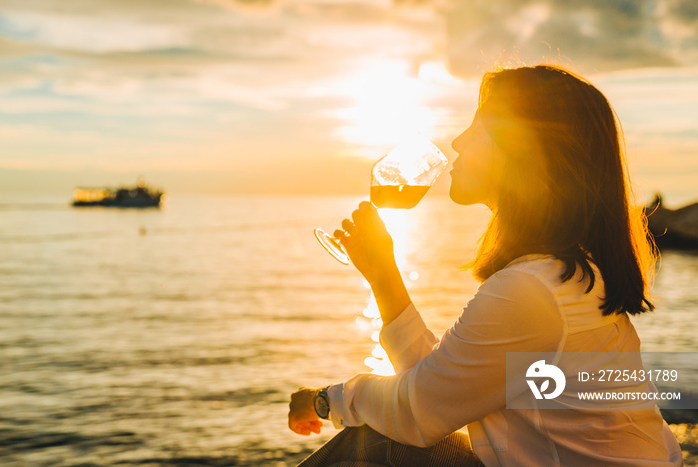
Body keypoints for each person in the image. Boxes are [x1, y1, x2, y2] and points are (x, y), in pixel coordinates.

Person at [288, 65, 684, 466]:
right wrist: (382, 274)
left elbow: (417, 414)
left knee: (379, 441)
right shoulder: (567, 271)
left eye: (477, 129)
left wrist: (324, 400)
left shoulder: (533, 290)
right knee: (387, 438)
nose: (458, 141)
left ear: (523, 152)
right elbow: (442, 390)